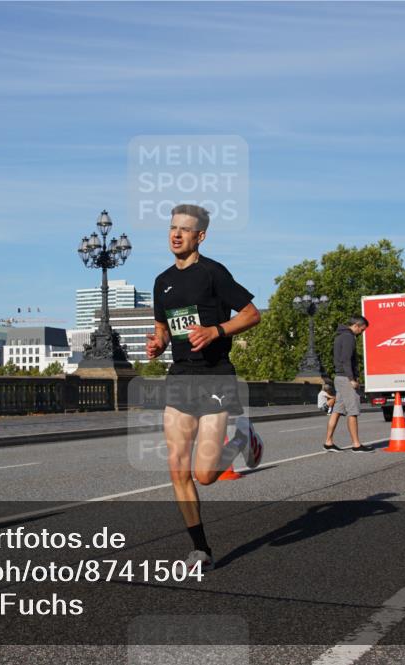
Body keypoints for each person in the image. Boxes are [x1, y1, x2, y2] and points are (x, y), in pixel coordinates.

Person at [146, 204, 262, 573]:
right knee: (177, 471)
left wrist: (216, 331)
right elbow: (163, 327)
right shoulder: (161, 280)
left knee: (206, 476)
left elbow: (251, 314)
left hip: (214, 376)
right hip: (180, 377)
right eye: (172, 228)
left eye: (185, 229)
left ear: (200, 236)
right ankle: (200, 550)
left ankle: (243, 438)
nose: (176, 234)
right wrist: (158, 343)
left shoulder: (213, 273)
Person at [323, 315, 372, 453]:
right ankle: (356, 445)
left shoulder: (340, 335)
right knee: (353, 411)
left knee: (337, 410)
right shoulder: (349, 337)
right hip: (346, 379)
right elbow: (346, 360)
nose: (361, 333)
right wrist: (352, 379)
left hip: (339, 377)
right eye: (362, 330)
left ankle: (328, 442)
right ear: (356, 325)